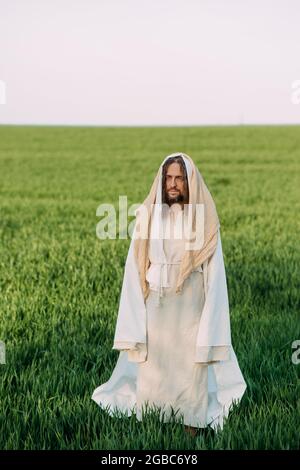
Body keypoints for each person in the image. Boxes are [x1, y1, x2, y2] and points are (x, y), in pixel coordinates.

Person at [92, 152, 247, 437]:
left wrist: (211, 316)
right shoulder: (149, 216)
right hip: (157, 303)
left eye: (179, 178)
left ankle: (191, 423)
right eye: (168, 178)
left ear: (189, 183)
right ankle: (153, 417)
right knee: (155, 362)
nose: (173, 184)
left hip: (190, 305)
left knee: (190, 364)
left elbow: (214, 272)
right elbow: (135, 264)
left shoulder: (204, 220)